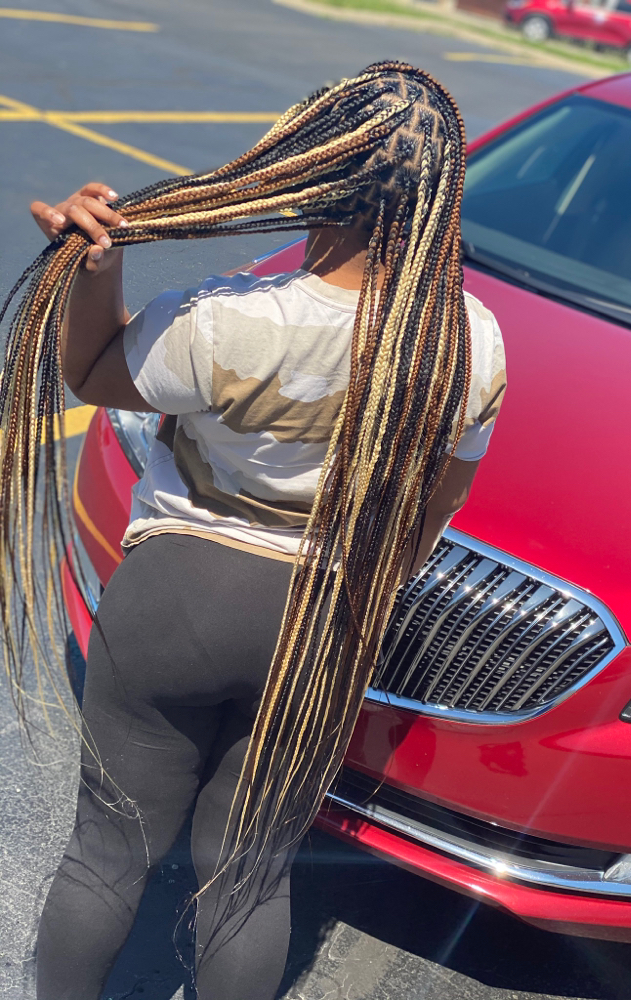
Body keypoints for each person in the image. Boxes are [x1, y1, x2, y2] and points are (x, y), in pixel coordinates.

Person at [21, 64, 506, 1000]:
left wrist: (100, 266)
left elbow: (91, 374)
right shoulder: (472, 344)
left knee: (107, 851)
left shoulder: (235, 320)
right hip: (323, 616)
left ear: (317, 176)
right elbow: (430, 512)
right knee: (248, 877)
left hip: (179, 599)